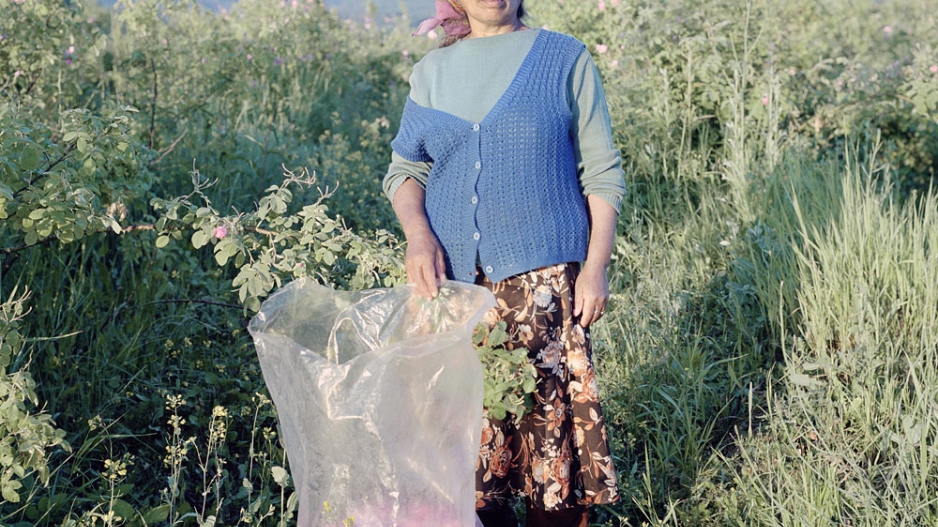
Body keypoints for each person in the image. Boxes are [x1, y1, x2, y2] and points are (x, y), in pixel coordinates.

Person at [383, 1, 624, 525]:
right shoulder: (431, 73)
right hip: (455, 295)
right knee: (468, 476)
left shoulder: (563, 58)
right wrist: (418, 236)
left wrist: (596, 266)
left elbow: (602, 171)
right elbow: (405, 170)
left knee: (553, 476)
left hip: (544, 294)